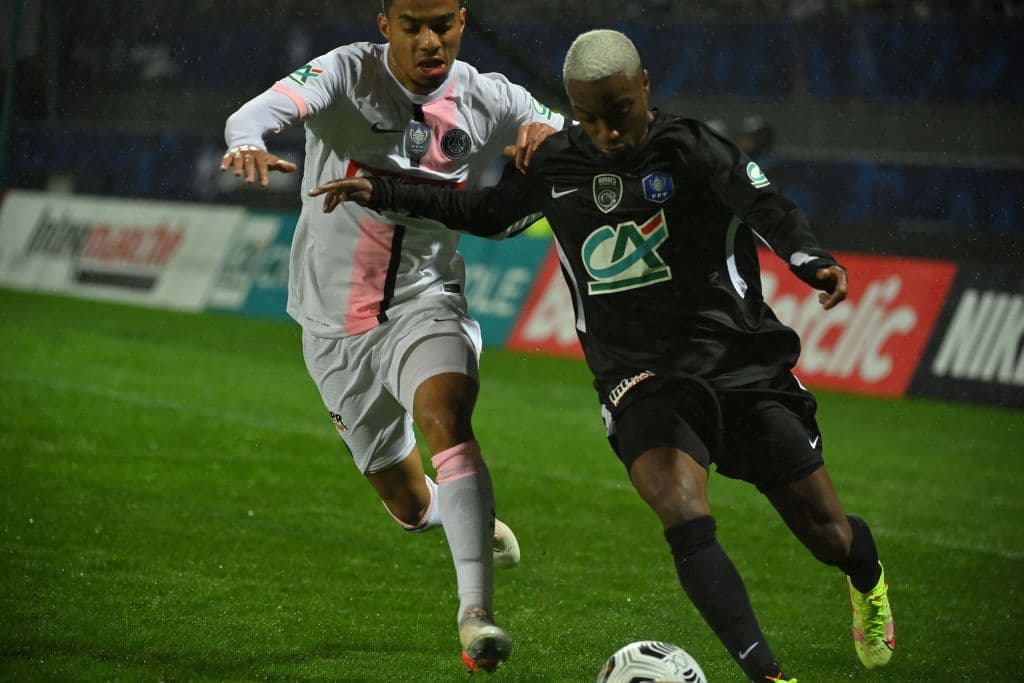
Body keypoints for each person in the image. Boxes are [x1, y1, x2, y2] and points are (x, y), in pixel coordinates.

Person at [312, 28, 896, 683]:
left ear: (644, 86)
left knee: (828, 534)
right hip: (639, 378)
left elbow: (763, 204)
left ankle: (865, 569)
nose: (606, 132)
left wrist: (810, 258)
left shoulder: (692, 147)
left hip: (739, 367)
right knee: (679, 503)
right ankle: (768, 673)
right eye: (588, 117)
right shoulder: (558, 162)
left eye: (617, 113)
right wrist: (387, 191)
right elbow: (485, 212)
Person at [218, 0, 565, 673]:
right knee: (406, 505)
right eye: (414, 26)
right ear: (386, 26)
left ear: (463, 20)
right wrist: (248, 139)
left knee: (446, 416)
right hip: (332, 323)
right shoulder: (347, 75)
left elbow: (570, 138)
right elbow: (256, 112)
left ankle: (477, 617)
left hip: (427, 302)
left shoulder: (491, 97)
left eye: (445, 24)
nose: (431, 40)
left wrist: (549, 142)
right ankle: (455, 514)